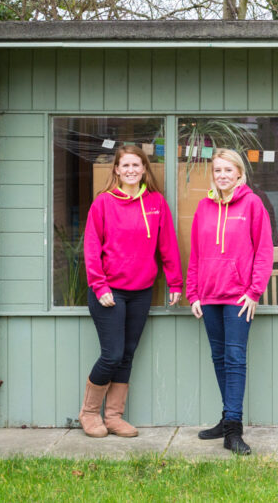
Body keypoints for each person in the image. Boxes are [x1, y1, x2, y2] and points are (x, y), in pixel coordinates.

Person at [81, 145, 182, 437]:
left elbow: (167, 245)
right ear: (116, 169)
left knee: (127, 354)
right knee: (111, 355)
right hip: (109, 290)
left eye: (136, 165)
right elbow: (91, 249)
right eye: (125, 165)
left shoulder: (155, 202)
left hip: (141, 290)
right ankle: (89, 414)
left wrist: (175, 282)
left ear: (144, 169)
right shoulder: (103, 203)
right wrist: (99, 285)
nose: (130, 170)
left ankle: (113, 417)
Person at [187, 148, 273, 455]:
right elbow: (196, 253)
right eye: (217, 170)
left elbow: (264, 251)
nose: (222, 175)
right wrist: (193, 292)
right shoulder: (204, 207)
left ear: (239, 173)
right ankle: (227, 420)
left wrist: (254, 292)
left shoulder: (252, 204)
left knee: (235, 360)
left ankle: (233, 430)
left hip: (238, 297)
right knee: (219, 358)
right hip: (209, 296)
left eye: (228, 170)